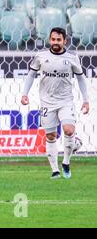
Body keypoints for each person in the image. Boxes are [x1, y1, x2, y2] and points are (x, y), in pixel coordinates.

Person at [21, 27, 89, 179]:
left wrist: (86, 100)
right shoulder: (40, 56)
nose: (55, 42)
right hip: (47, 102)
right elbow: (31, 74)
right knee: (51, 136)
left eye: (59, 39)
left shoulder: (72, 57)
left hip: (65, 101)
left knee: (69, 130)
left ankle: (66, 161)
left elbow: (80, 78)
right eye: (53, 39)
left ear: (64, 41)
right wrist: (24, 94)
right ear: (49, 40)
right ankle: (55, 170)